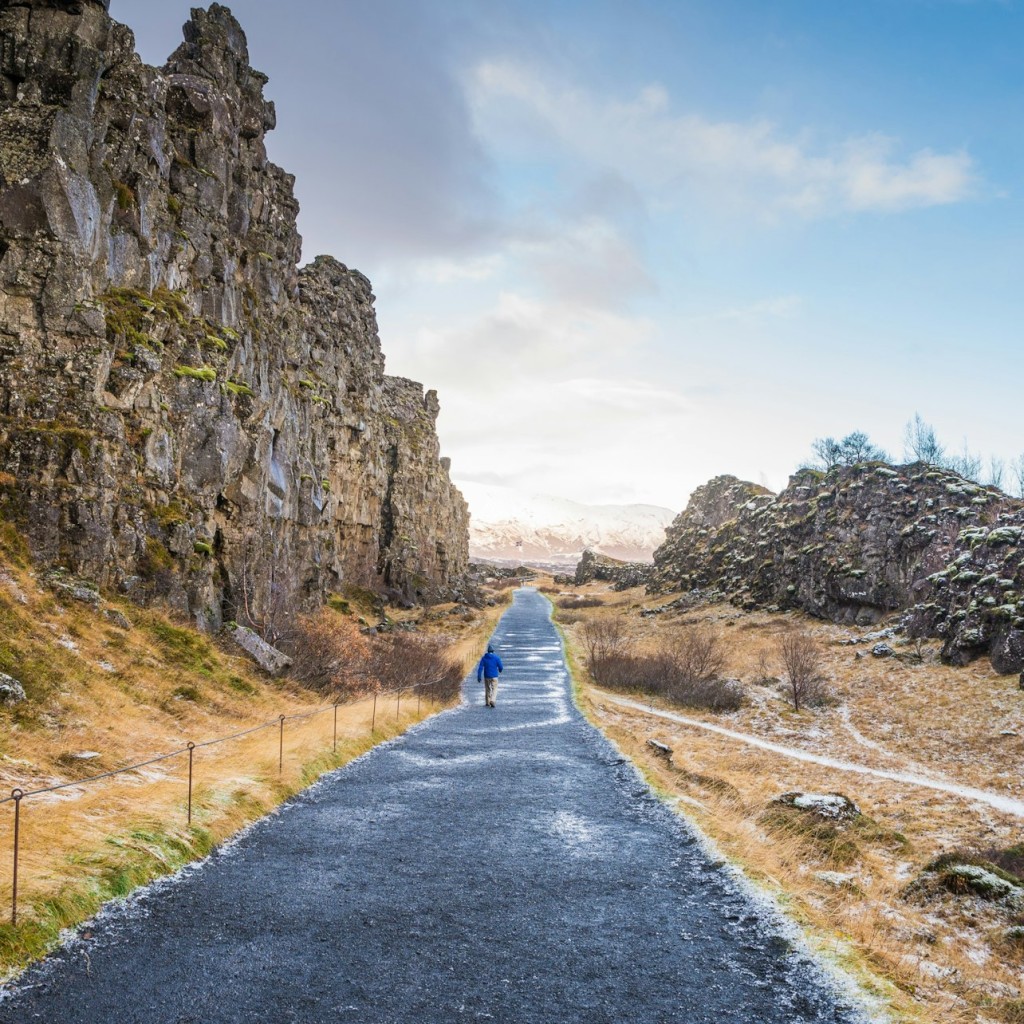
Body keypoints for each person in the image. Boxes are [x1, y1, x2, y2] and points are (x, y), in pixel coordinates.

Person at [476, 643, 504, 708]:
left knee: (487, 689)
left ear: (487, 651)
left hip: (487, 676)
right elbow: (501, 666)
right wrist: (500, 670)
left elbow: (480, 668)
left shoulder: (484, 658)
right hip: (494, 676)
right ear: (493, 651)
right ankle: (492, 700)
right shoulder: (496, 658)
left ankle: (487, 702)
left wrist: (479, 677)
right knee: (494, 689)